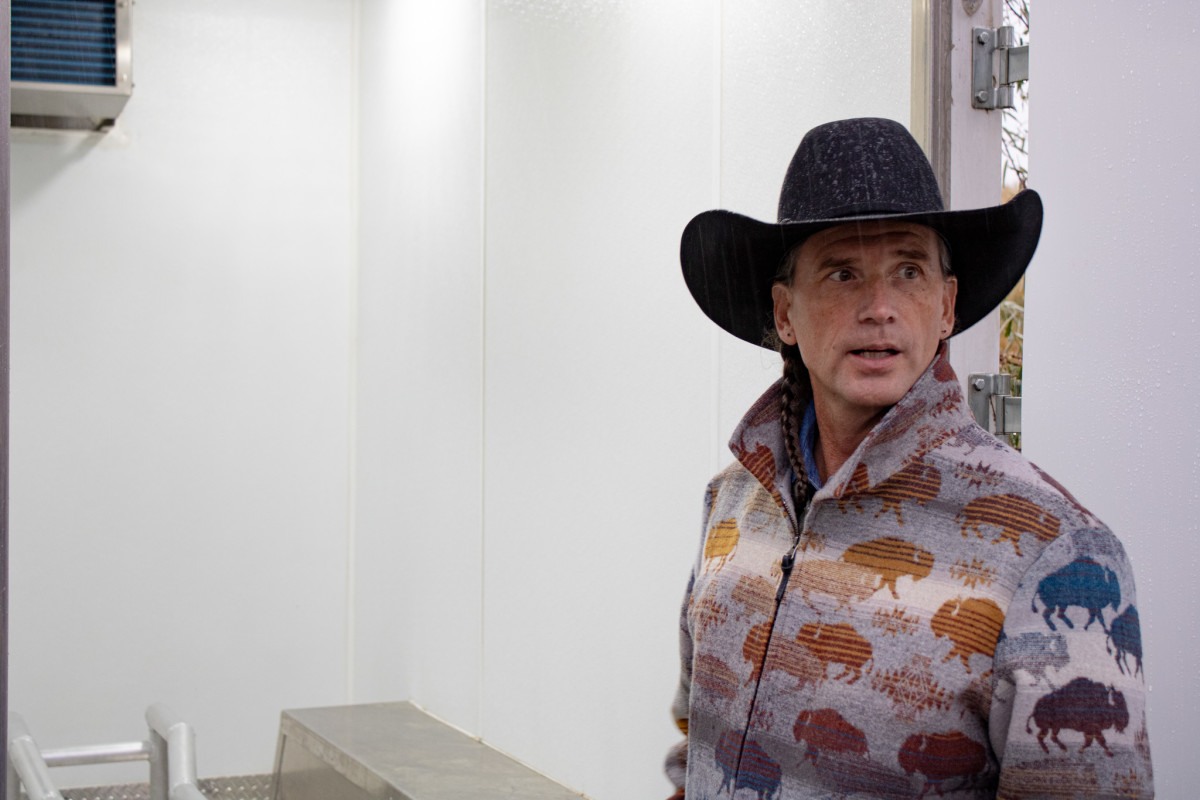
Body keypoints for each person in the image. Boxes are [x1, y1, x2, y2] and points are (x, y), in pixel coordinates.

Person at [666, 118, 1152, 799]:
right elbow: (697, 743)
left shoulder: (1053, 550)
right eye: (842, 273)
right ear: (785, 314)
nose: (880, 307)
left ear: (947, 306)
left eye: (909, 271)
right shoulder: (731, 503)